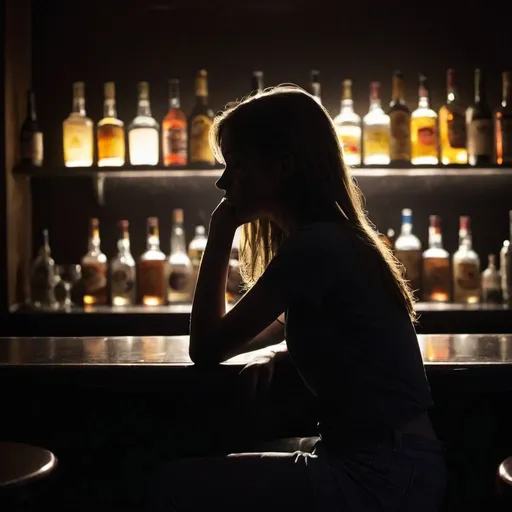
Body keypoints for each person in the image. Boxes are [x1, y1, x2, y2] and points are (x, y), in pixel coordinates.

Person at [147, 85, 447, 511]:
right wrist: (279, 352)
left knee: (173, 485)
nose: (222, 181)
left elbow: (207, 346)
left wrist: (220, 235)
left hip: (380, 476)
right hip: (393, 461)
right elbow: (330, 329)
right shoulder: (333, 238)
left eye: (235, 165)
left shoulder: (315, 247)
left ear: (283, 167)